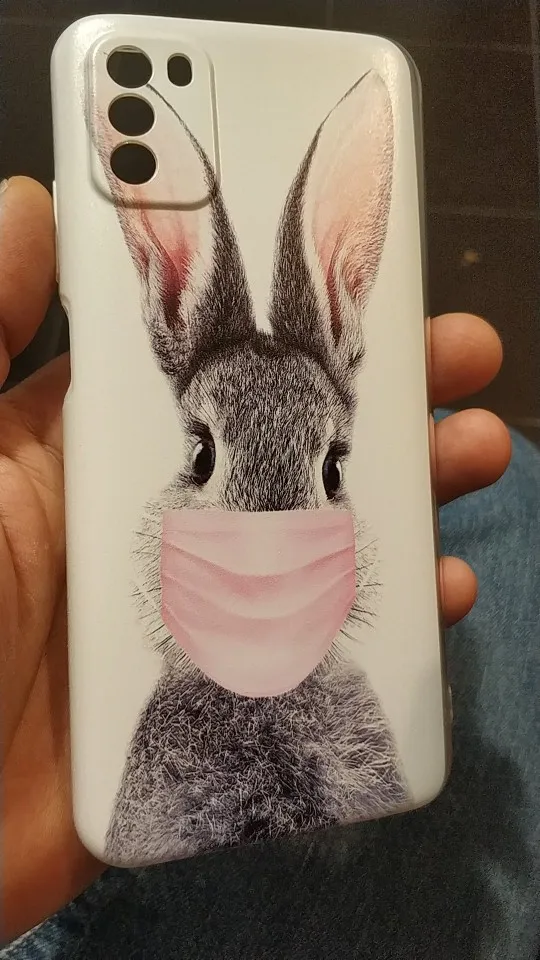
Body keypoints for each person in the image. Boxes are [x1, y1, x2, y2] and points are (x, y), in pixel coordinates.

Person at [0, 176, 538, 959]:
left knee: (500, 479)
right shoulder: (152, 736)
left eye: (332, 472)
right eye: (203, 459)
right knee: (513, 494)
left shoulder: (356, 717)